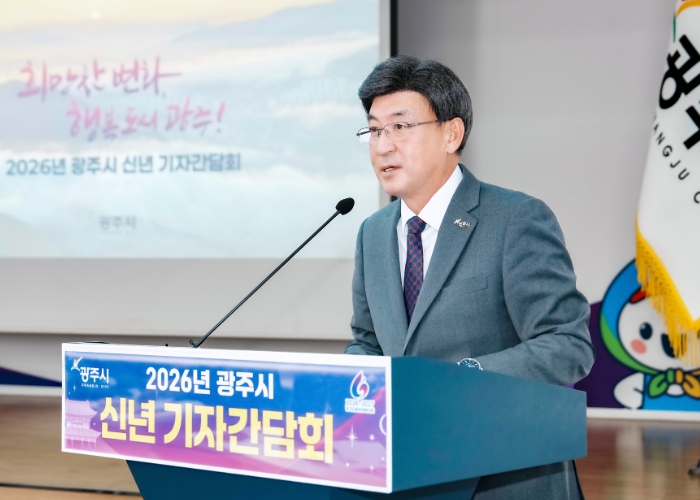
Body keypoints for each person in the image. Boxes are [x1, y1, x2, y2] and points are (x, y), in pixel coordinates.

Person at [345, 56, 595, 499]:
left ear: (452, 133)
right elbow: (368, 342)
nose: (382, 146)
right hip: (410, 470)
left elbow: (566, 345)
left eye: (399, 127)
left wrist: (463, 379)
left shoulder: (515, 219)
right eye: (374, 130)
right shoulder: (373, 232)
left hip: (504, 474)